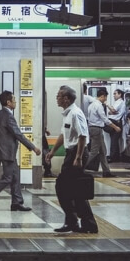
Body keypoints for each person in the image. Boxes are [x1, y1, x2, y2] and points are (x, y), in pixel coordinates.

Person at [0, 91, 41, 212]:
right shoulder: (8, 116)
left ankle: (16, 202)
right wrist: (33, 147)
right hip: (7, 152)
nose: (16, 102)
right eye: (14, 100)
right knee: (8, 178)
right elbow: (18, 134)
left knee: (15, 177)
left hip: (4, 151)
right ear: (8, 102)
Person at [46, 85, 98, 233]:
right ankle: (80, 222)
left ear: (67, 98)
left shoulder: (76, 113)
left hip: (77, 153)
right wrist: (53, 151)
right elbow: (64, 135)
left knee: (66, 188)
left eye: (59, 96)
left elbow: (82, 136)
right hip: (72, 153)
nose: (57, 98)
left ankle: (79, 222)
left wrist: (79, 157)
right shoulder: (67, 114)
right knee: (71, 189)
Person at [85, 88, 119, 178]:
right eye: (105, 97)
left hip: (93, 128)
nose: (106, 99)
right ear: (102, 96)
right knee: (94, 152)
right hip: (97, 130)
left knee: (103, 151)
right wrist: (115, 127)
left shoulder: (91, 105)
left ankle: (106, 171)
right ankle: (79, 168)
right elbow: (104, 119)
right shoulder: (98, 105)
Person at [108, 89, 125, 162]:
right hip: (115, 121)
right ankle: (116, 157)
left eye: (115, 94)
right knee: (114, 140)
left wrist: (107, 105)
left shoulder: (120, 102)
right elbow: (109, 112)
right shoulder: (117, 102)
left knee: (114, 141)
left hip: (116, 122)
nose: (114, 95)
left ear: (120, 94)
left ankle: (112, 157)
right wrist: (112, 111)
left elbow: (113, 110)